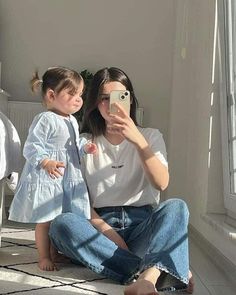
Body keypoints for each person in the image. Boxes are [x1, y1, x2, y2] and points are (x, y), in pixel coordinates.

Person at [49, 67, 194, 295]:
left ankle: (148, 271)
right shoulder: (83, 142)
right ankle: (154, 271)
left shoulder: (151, 136)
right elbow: (79, 199)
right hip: (100, 228)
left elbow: (162, 184)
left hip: (142, 228)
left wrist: (138, 140)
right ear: (95, 103)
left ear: (130, 99)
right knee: (61, 224)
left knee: (176, 207)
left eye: (119, 97)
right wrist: (110, 234)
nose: (111, 104)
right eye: (104, 98)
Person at [9, 67, 96, 271]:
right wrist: (45, 162)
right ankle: (43, 256)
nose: (78, 100)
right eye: (72, 94)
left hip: (66, 177)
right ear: (51, 95)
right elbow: (31, 146)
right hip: (50, 178)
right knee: (46, 220)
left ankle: (54, 253)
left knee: (60, 219)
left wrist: (84, 147)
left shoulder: (72, 120)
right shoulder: (45, 119)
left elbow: (71, 146)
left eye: (80, 95)